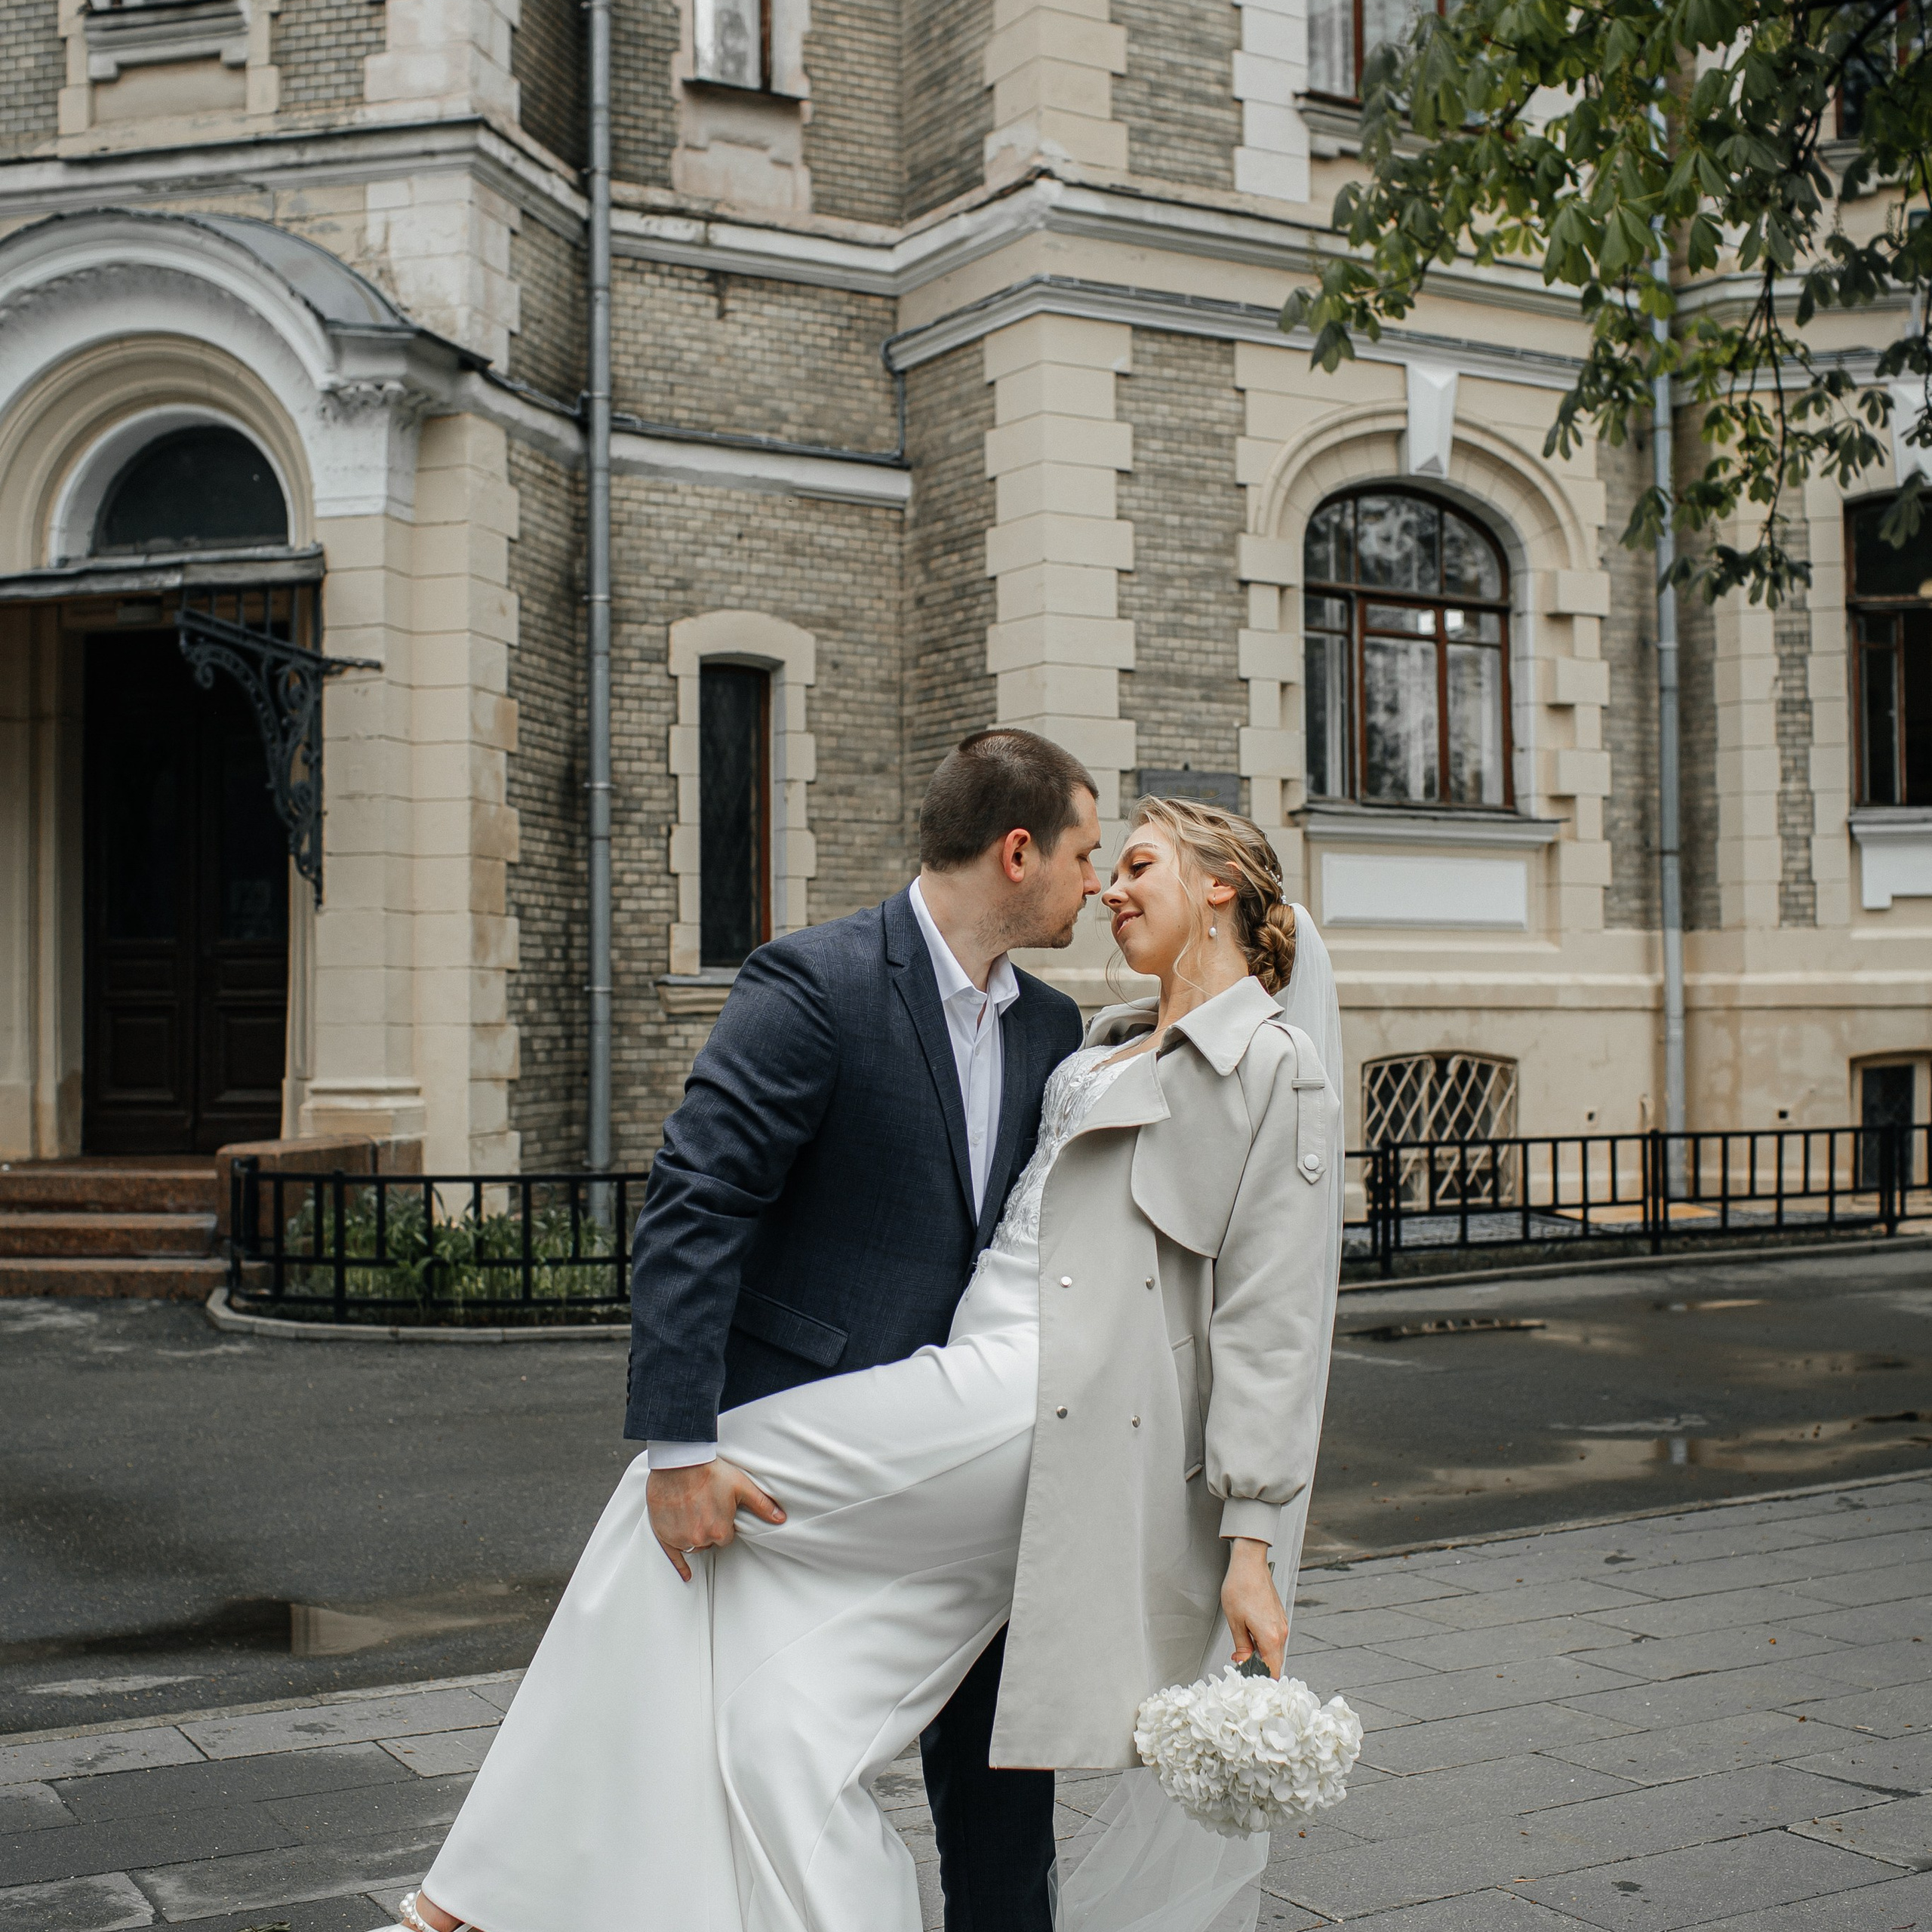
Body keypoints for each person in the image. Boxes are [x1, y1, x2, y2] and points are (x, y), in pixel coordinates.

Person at [396, 780, 1344, 1932]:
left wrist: (1253, 1540)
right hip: (972, 1379)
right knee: (778, 1723)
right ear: (1013, 851)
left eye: (1134, 865)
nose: (1106, 889)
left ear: (1220, 886)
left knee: (687, 1490)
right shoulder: (1086, 1038)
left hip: (1040, 1397)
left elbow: (1271, 1322)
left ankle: (465, 1900)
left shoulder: (1273, 1066)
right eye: (1100, 860)